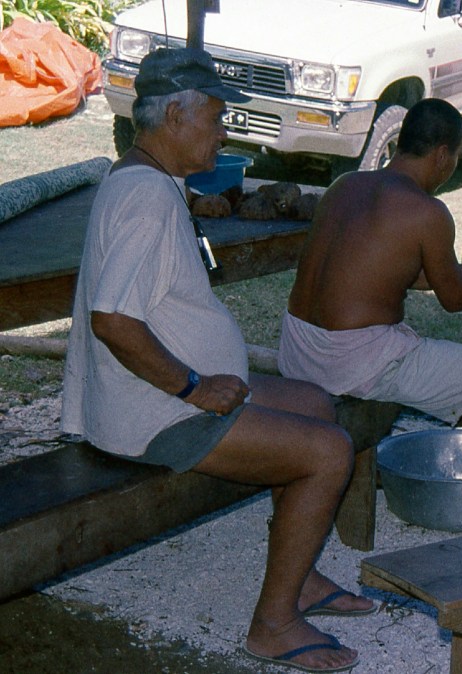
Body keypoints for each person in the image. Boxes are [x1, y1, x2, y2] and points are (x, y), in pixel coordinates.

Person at [61, 48, 371, 673]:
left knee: (315, 404)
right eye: (217, 117)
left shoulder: (145, 178)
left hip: (154, 399)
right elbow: (112, 320)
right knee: (329, 452)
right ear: (176, 114)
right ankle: (273, 625)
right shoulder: (147, 198)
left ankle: (300, 579)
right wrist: (195, 387)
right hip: (153, 415)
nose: (224, 132)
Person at [278, 98, 462, 526]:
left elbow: (395, 268)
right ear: (442, 154)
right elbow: (453, 298)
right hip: (351, 361)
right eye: (456, 159)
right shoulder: (427, 211)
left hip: (297, 349)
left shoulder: (346, 185)